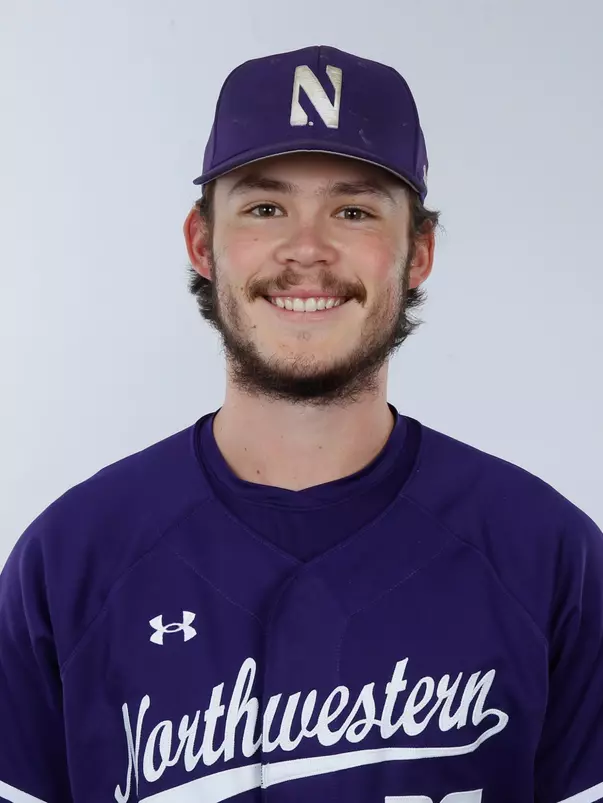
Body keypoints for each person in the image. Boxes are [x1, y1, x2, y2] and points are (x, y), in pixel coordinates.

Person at [0, 44, 601, 803]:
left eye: (352, 211)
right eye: (264, 208)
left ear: (416, 253)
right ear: (202, 244)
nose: (306, 251)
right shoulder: (71, 558)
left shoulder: (546, 556)